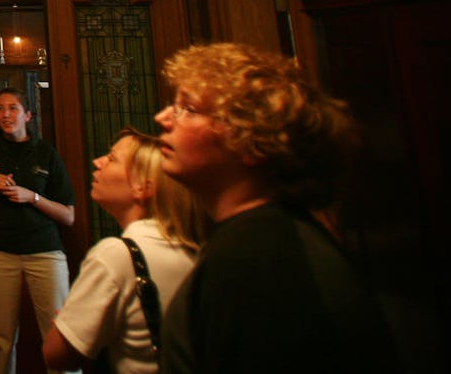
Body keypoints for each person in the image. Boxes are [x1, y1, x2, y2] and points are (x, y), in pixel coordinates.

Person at [152, 42, 394, 374]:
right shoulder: (266, 237)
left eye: (188, 109)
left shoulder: (257, 257)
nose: (163, 118)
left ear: (252, 139)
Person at [43, 128, 207, 373]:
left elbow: (56, 356)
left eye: (111, 158)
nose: (97, 162)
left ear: (142, 187)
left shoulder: (116, 255)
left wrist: (63, 324)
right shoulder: (193, 250)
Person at [0, 87, 78, 374]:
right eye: (1, 109)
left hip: (44, 252)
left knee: (59, 332)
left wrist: (34, 198)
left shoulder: (46, 153)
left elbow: (68, 216)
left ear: (27, 115)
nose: (6, 114)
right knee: (1, 335)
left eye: (13, 108)